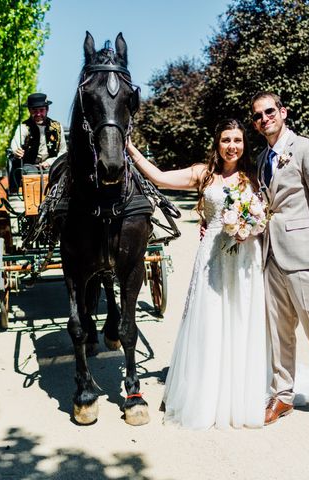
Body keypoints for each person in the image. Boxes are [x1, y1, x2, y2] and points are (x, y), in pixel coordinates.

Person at [126, 119, 267, 430]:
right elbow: (160, 177)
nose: (232, 145)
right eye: (226, 139)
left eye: (238, 140)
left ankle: (240, 392)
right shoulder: (203, 174)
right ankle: (207, 394)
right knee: (210, 320)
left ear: (244, 144)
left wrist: (251, 229)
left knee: (241, 318)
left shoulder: (254, 176)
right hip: (213, 257)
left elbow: (263, 213)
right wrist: (131, 149)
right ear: (217, 144)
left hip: (245, 257)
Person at [251, 91, 309, 429]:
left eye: (269, 111)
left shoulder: (308, 149)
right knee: (279, 332)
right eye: (258, 116)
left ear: (283, 112)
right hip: (271, 256)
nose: (265, 119)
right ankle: (283, 395)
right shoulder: (262, 159)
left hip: (306, 258)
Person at [9, 92, 67, 191]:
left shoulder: (57, 127)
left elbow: (63, 152)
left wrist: (49, 162)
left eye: (41, 110)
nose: (38, 114)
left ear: (47, 110)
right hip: (30, 167)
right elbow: (16, 142)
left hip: (52, 166)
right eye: (34, 110)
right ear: (29, 110)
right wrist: (16, 150)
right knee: (30, 174)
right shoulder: (24, 127)